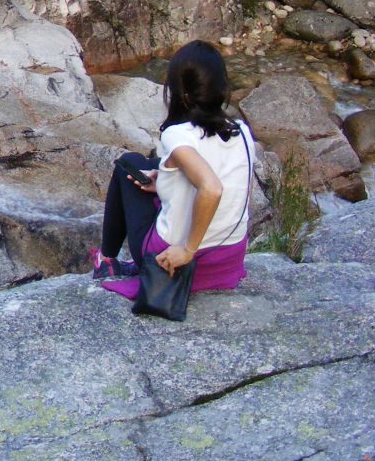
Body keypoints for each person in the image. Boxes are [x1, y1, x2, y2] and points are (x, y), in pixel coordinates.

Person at [91, 40, 254, 301]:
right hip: (227, 259)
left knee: (127, 163)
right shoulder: (242, 132)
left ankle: (106, 260)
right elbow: (235, 184)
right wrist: (164, 181)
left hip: (174, 260)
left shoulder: (177, 135)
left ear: (182, 95)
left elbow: (212, 187)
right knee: (154, 167)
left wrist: (188, 250)